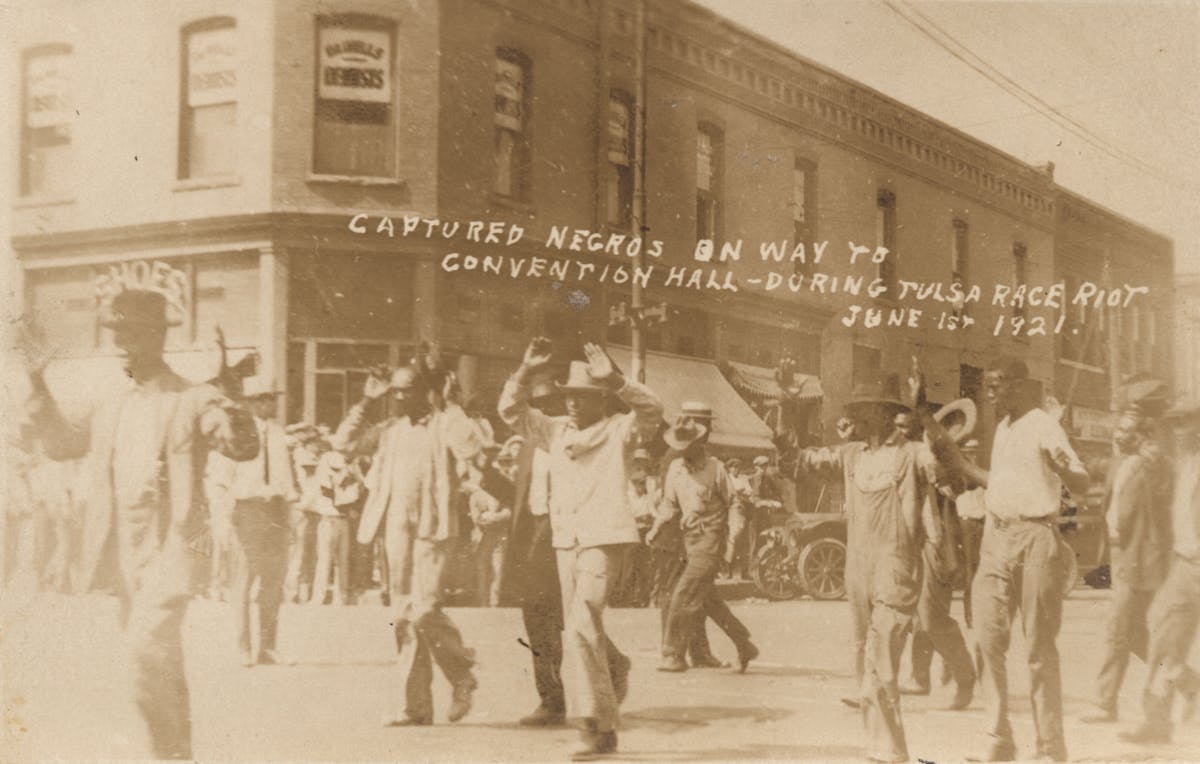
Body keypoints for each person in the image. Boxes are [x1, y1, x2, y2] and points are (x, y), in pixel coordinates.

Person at [23, 289, 259, 759]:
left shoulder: (193, 399)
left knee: (144, 651)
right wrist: (38, 382)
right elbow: (61, 445)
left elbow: (242, 447)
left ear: (156, 338)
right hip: (123, 552)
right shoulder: (111, 405)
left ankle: (166, 756)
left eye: (132, 335)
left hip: (174, 547)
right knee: (160, 661)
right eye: (118, 335)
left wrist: (231, 395)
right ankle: (175, 754)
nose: (122, 345)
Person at [499, 339, 663, 761]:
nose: (572, 403)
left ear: (601, 398)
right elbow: (510, 412)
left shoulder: (619, 429)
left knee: (580, 624)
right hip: (565, 539)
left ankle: (595, 724)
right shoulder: (555, 431)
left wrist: (620, 381)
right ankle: (606, 706)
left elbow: (653, 412)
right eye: (568, 395)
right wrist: (524, 370)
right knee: (579, 626)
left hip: (605, 539)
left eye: (583, 396)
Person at [945, 357, 1089, 762]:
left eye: (1000, 385)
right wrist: (926, 417)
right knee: (988, 638)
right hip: (996, 536)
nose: (992, 393)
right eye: (988, 386)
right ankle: (998, 737)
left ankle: (1049, 747)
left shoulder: (1042, 423)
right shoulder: (1004, 429)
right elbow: (984, 474)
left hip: (1035, 536)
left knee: (1039, 648)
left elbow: (1080, 479)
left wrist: (1065, 467)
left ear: (1020, 387)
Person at [335, 362, 485, 727]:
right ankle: (415, 707)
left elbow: (472, 448)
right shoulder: (389, 430)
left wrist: (452, 406)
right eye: (396, 391)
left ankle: (462, 672)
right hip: (396, 530)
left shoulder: (444, 424)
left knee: (424, 611)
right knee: (403, 617)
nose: (400, 397)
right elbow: (344, 444)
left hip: (434, 531)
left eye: (407, 390)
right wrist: (367, 403)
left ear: (425, 392)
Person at [794, 373, 926, 762]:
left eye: (867, 410)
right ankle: (883, 749)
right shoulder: (852, 456)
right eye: (857, 411)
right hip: (859, 568)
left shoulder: (911, 453)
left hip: (894, 566)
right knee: (867, 661)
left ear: (887, 415)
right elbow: (802, 459)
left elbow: (944, 465)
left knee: (883, 658)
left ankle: (889, 753)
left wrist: (924, 411)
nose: (859, 418)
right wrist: (790, 409)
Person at [1082, 410, 1171, 723]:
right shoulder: (1118, 463)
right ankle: (1187, 682)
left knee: (1117, 629)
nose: (1119, 435)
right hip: (1120, 555)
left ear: (1143, 436)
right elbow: (1092, 467)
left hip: (1141, 558)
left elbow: (1165, 485)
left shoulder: (1151, 465)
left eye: (1127, 431)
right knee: (1135, 635)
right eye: (1117, 429)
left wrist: (1156, 460)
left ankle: (1105, 703)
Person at [649, 419, 758, 674]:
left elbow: (734, 504)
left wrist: (731, 542)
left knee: (683, 594)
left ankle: (673, 654)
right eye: (680, 446)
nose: (683, 451)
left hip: (711, 541)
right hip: (689, 541)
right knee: (709, 602)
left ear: (699, 443)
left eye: (688, 445)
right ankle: (744, 643)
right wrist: (656, 527)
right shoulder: (676, 469)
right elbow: (669, 504)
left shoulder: (716, 469)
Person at [1120, 403, 1200, 743]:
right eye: (1176, 423)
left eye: (1188, 423)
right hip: (1185, 566)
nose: (1180, 430)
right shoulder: (1183, 464)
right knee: (1164, 641)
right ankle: (1158, 719)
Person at [209, 376, 298, 666]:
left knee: (273, 582)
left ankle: (267, 647)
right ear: (250, 402)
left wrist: (289, 509)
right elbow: (220, 481)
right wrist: (223, 520)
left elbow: (284, 476)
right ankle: (243, 647)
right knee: (243, 581)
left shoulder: (278, 433)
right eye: (263, 398)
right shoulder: (236, 432)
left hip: (276, 510)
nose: (269, 403)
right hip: (247, 510)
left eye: (272, 398)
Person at [496, 378, 567, 727]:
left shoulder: (566, 444)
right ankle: (551, 699)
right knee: (538, 619)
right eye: (537, 406)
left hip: (561, 537)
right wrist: (484, 478)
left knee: (567, 618)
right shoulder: (525, 448)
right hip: (532, 539)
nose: (542, 413)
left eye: (549, 406)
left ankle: (610, 665)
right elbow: (518, 497)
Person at [309, 441, 359, 606]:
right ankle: (319, 597)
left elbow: (356, 490)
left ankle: (341, 597)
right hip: (329, 518)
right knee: (326, 560)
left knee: (342, 560)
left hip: (341, 519)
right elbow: (327, 489)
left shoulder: (350, 466)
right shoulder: (326, 462)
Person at [467, 443, 513, 607]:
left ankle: (494, 603)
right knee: (482, 569)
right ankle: (483, 602)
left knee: (498, 570)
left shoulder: (502, 492)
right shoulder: (476, 496)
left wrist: (494, 516)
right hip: (482, 538)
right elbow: (477, 518)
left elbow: (508, 513)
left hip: (500, 536)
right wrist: (487, 518)